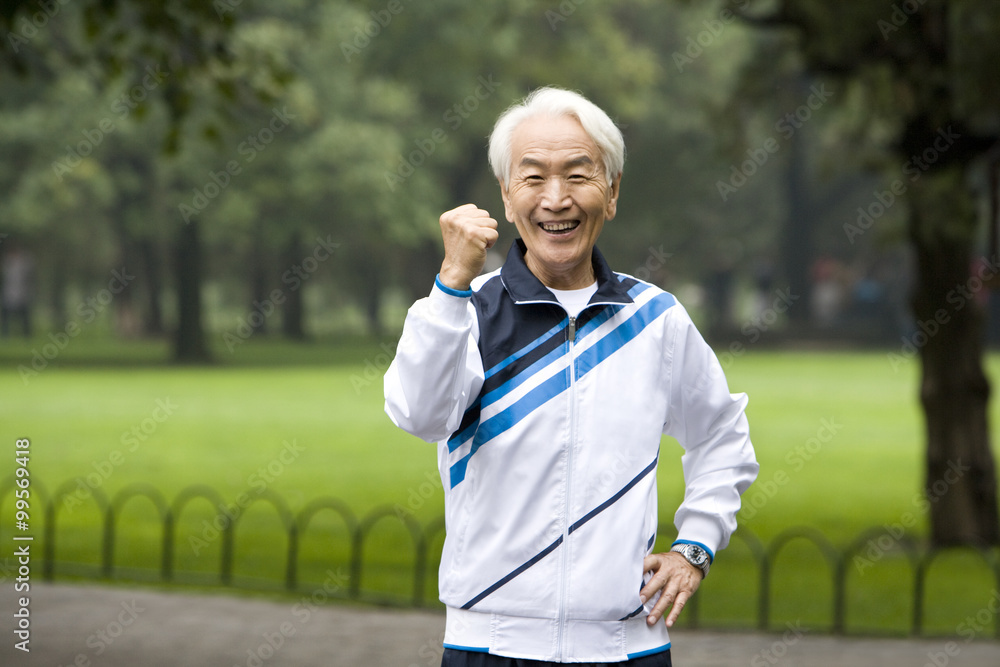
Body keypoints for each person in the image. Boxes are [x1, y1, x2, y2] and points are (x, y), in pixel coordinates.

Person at [384, 87, 758, 666]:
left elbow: (722, 436)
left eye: (578, 175)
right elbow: (420, 414)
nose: (556, 199)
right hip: (490, 645)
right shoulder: (463, 310)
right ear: (507, 198)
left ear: (611, 193)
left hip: (626, 647)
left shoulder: (654, 318)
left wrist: (696, 547)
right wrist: (452, 282)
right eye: (533, 178)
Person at [1, 240, 35, 338]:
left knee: (24, 315)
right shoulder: (6, 261)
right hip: (9, 291)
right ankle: (5, 334)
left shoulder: (25, 260)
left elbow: (29, 275)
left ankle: (26, 334)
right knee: (6, 315)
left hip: (22, 291)